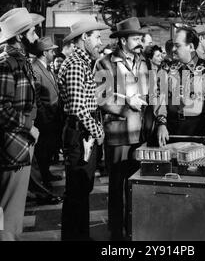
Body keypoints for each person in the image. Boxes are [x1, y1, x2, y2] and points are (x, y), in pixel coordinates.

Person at [0, 7, 43, 240]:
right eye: (32, 32)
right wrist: (28, 126)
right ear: (20, 36)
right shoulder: (6, 63)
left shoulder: (17, 61)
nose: (36, 36)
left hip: (17, 146)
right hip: (11, 148)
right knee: (5, 214)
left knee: (10, 212)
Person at [95, 17, 148, 240]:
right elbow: (101, 98)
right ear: (123, 40)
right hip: (118, 134)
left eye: (140, 38)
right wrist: (127, 102)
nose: (140, 42)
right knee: (117, 186)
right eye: (135, 38)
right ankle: (116, 233)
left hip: (140, 134)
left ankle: (134, 229)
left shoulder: (143, 61)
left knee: (135, 186)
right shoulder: (105, 63)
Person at [58, 16, 109, 241]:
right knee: (77, 190)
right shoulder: (77, 64)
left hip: (81, 133)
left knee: (80, 190)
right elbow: (78, 108)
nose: (100, 41)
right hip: (80, 134)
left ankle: (79, 236)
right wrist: (97, 131)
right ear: (84, 38)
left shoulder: (81, 62)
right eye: (97, 37)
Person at [156, 26, 205, 146]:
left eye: (177, 45)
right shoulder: (165, 69)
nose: (172, 49)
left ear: (191, 47)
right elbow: (158, 98)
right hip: (170, 129)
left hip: (198, 129)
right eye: (173, 44)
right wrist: (161, 124)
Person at [31, 36, 63, 186]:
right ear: (44, 53)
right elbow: (36, 96)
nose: (54, 54)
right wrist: (44, 117)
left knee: (49, 148)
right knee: (43, 150)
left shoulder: (46, 67)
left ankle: (46, 173)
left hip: (52, 116)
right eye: (51, 51)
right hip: (45, 119)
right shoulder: (36, 68)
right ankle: (43, 176)